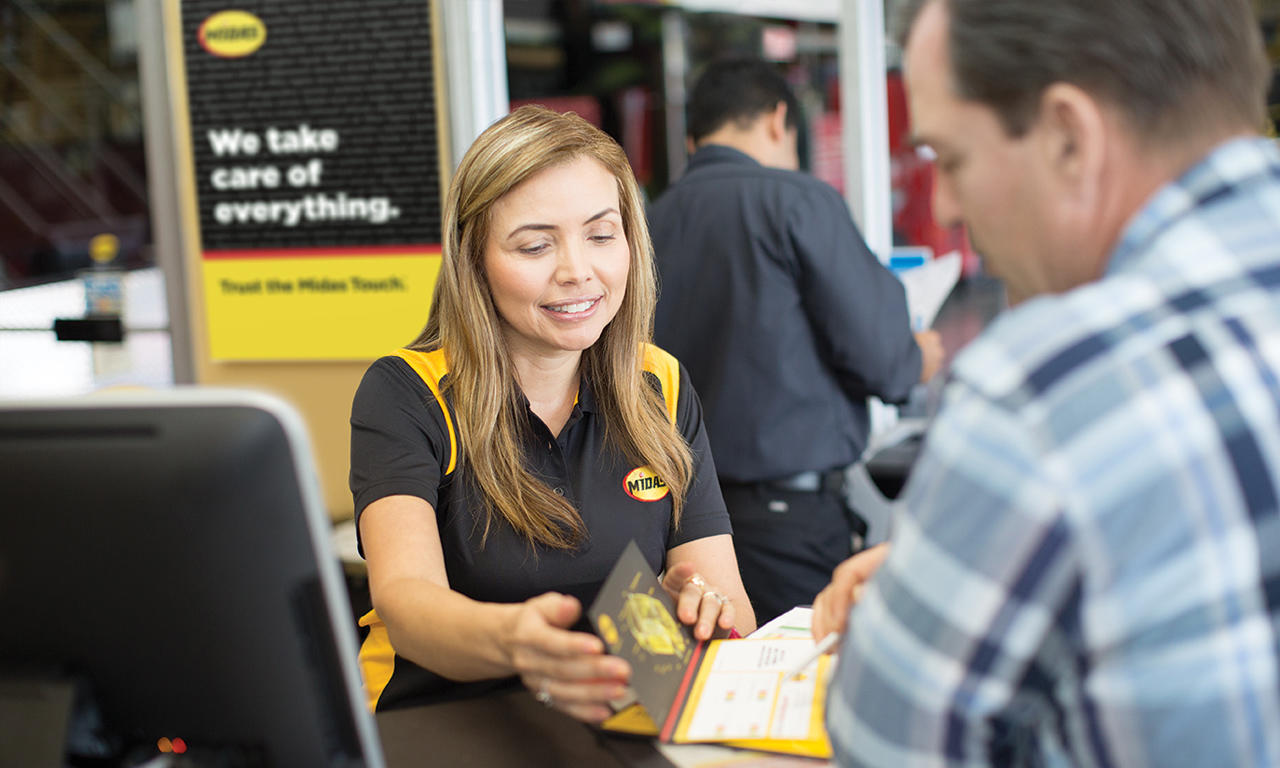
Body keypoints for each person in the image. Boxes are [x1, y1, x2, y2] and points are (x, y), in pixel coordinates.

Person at [815, 0, 1280, 765]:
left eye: (951, 160)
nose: (945, 207)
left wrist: (920, 607)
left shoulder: (1040, 396)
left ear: (1069, 137)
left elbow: (883, 748)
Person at [349, 105, 756, 722]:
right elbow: (406, 604)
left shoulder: (660, 383)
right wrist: (515, 642)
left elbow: (730, 605)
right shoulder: (407, 392)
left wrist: (702, 611)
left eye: (601, 235)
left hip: (615, 719)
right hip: (440, 723)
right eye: (536, 245)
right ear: (473, 259)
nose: (577, 272)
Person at [648, 58, 944, 623]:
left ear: (693, 140)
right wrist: (917, 358)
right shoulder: (797, 201)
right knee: (803, 669)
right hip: (790, 522)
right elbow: (884, 360)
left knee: (721, 673)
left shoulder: (645, 223)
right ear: (778, 119)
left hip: (683, 529)